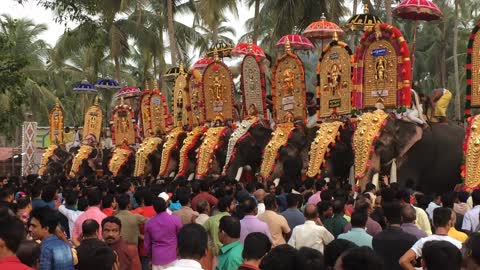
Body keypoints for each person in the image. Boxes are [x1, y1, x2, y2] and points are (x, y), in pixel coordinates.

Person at [372, 202, 417, 270]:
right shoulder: (411, 239)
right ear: (402, 218)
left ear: (385, 219)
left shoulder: (376, 238)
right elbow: (413, 262)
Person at [145, 196, 182, 269]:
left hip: (157, 258)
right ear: (166, 205)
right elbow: (181, 237)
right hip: (173, 257)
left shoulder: (149, 223)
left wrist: (150, 258)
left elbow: (147, 246)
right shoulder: (175, 220)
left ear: (154, 208)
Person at [115, 194, 145, 270]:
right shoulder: (136, 217)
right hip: (133, 250)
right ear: (128, 205)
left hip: (118, 249)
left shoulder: (114, 218)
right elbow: (151, 221)